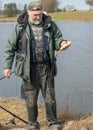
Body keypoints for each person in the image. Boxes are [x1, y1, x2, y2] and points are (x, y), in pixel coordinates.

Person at [3, 1, 72, 130]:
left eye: (39, 14)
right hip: (28, 69)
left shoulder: (50, 24)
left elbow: (58, 38)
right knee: (30, 99)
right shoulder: (20, 27)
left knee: (50, 98)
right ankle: (33, 124)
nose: (38, 17)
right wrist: (7, 67)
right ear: (28, 13)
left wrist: (62, 43)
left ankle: (53, 122)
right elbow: (9, 48)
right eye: (35, 15)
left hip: (47, 68)